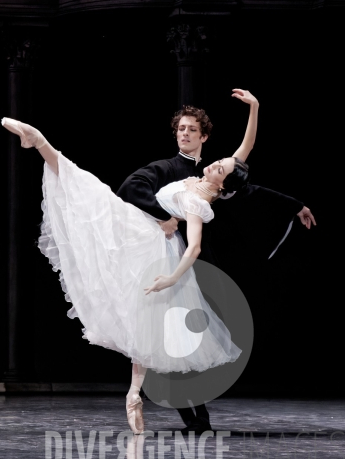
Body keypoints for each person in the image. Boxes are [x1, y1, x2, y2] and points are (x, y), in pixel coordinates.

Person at [1, 89, 257, 436]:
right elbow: (243, 152)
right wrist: (254, 108)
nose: (216, 162)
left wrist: (170, 270)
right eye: (180, 128)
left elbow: (193, 247)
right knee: (94, 201)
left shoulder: (200, 200)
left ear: (221, 181)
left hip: (153, 243)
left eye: (191, 130)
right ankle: (136, 394)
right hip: (146, 232)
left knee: (94, 200)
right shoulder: (199, 177)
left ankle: (43, 145)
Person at [116, 92, 316, 433]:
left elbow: (251, 174)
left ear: (204, 136)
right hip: (165, 258)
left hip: (192, 262)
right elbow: (131, 187)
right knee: (167, 340)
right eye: (180, 129)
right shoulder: (167, 167)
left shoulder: (218, 173)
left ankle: (196, 418)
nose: (184, 134)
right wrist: (166, 216)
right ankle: (181, 412)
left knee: (187, 342)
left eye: (192, 130)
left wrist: (294, 204)